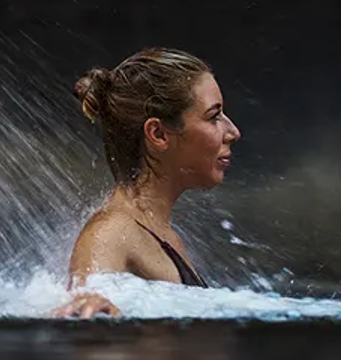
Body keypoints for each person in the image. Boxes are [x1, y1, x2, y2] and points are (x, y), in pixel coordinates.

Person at [52, 48, 240, 318]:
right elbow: (85, 304)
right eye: (214, 117)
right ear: (158, 133)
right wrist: (89, 304)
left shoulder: (156, 229)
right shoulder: (111, 233)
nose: (233, 132)